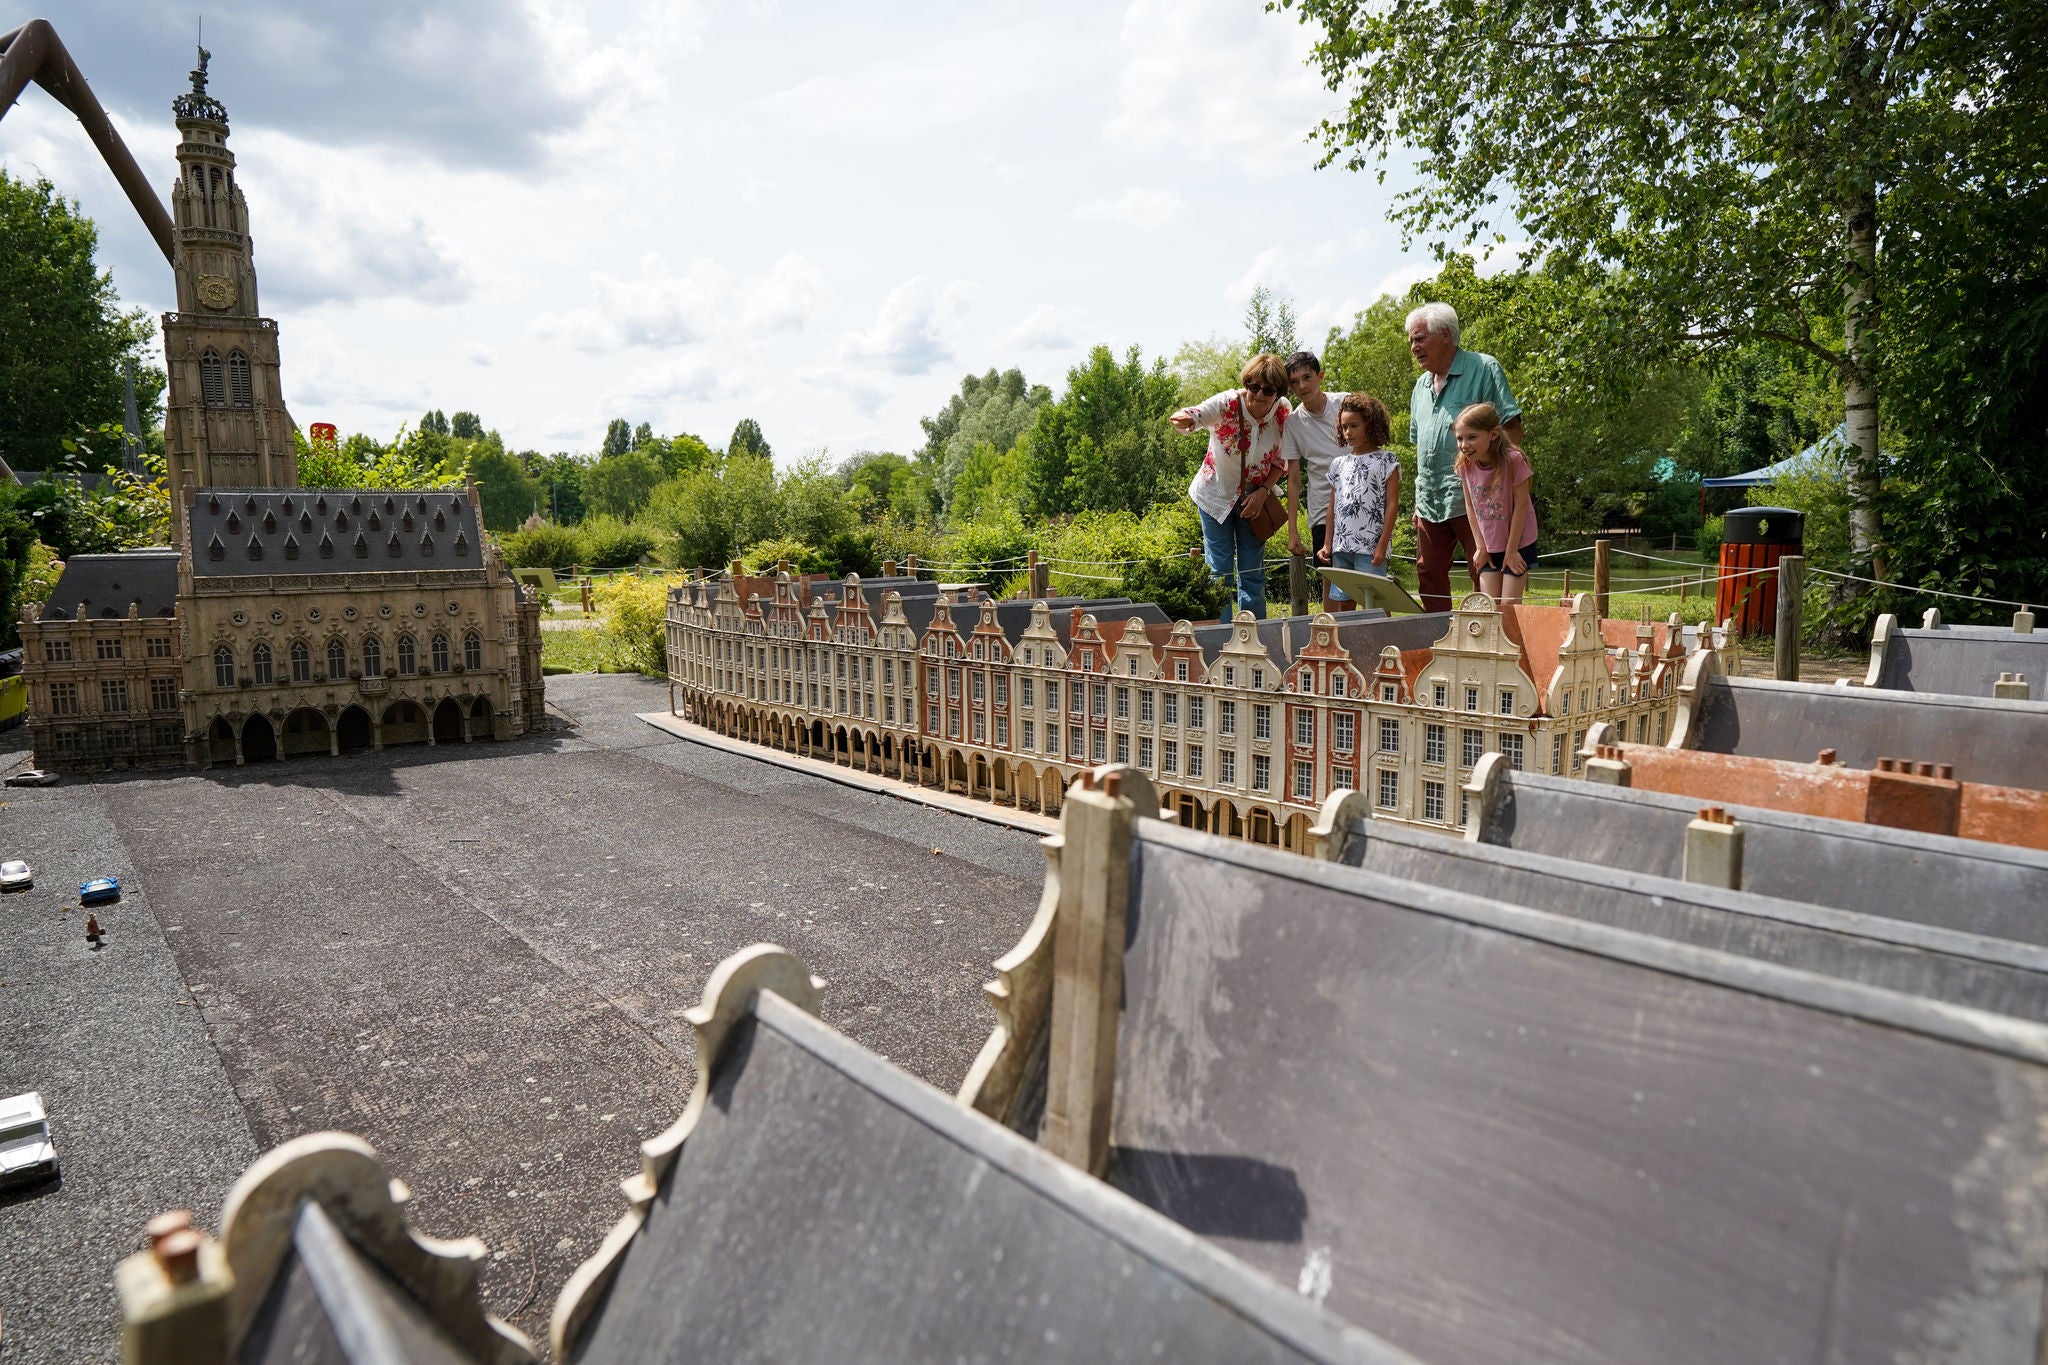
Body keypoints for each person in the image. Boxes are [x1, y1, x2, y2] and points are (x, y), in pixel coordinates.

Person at [1406, 302, 1524, 611]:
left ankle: (1488, 648)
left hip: (1480, 500)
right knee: (1428, 576)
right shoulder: (1420, 386)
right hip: (1430, 502)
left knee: (1485, 573)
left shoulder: (1484, 368)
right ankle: (1439, 646)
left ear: (1445, 334)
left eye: (1419, 338)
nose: (1413, 347)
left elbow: (1512, 428)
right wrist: (1417, 503)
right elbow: (1421, 449)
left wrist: (1503, 486)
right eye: (1411, 341)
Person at [1172, 353, 1293, 621]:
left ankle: (1255, 642)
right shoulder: (1227, 403)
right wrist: (1184, 419)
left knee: (1252, 572)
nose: (1259, 394)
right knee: (1219, 571)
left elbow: (1282, 461)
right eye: (1253, 385)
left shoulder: (1283, 412)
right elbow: (1197, 414)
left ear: (1278, 391)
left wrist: (1263, 493)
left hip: (1255, 501)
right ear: (1246, 383)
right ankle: (1222, 638)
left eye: (1268, 389)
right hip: (1215, 495)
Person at [1318, 394, 1400, 611]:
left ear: (1370, 425)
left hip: (1371, 549)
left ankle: (1385, 644)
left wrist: (1382, 545)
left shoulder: (1386, 460)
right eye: (1344, 427)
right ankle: (1348, 643)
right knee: (1343, 604)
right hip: (1341, 547)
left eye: (1354, 425)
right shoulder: (1338, 464)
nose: (1348, 432)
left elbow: (1392, 505)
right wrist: (1328, 544)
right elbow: (1332, 508)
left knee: (1376, 605)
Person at [1454, 402, 1540, 604]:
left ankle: (1513, 637)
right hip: (1488, 543)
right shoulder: (1465, 465)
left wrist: (1511, 551)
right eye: (1460, 438)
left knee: (1508, 607)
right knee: (1490, 606)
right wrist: (1480, 546)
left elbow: (1521, 506)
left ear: (1493, 434)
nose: (1464, 444)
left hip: (1517, 541)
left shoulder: (1513, 461)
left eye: (1472, 437)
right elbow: (1470, 507)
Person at [1280, 351, 1347, 568]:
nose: (1301, 386)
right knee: (1329, 577)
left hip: (1359, 501)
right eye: (1294, 382)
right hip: (1321, 508)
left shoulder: (1346, 403)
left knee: (1365, 578)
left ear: (1321, 376)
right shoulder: (1292, 423)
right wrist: (1293, 532)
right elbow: (1294, 479)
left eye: (1307, 377)